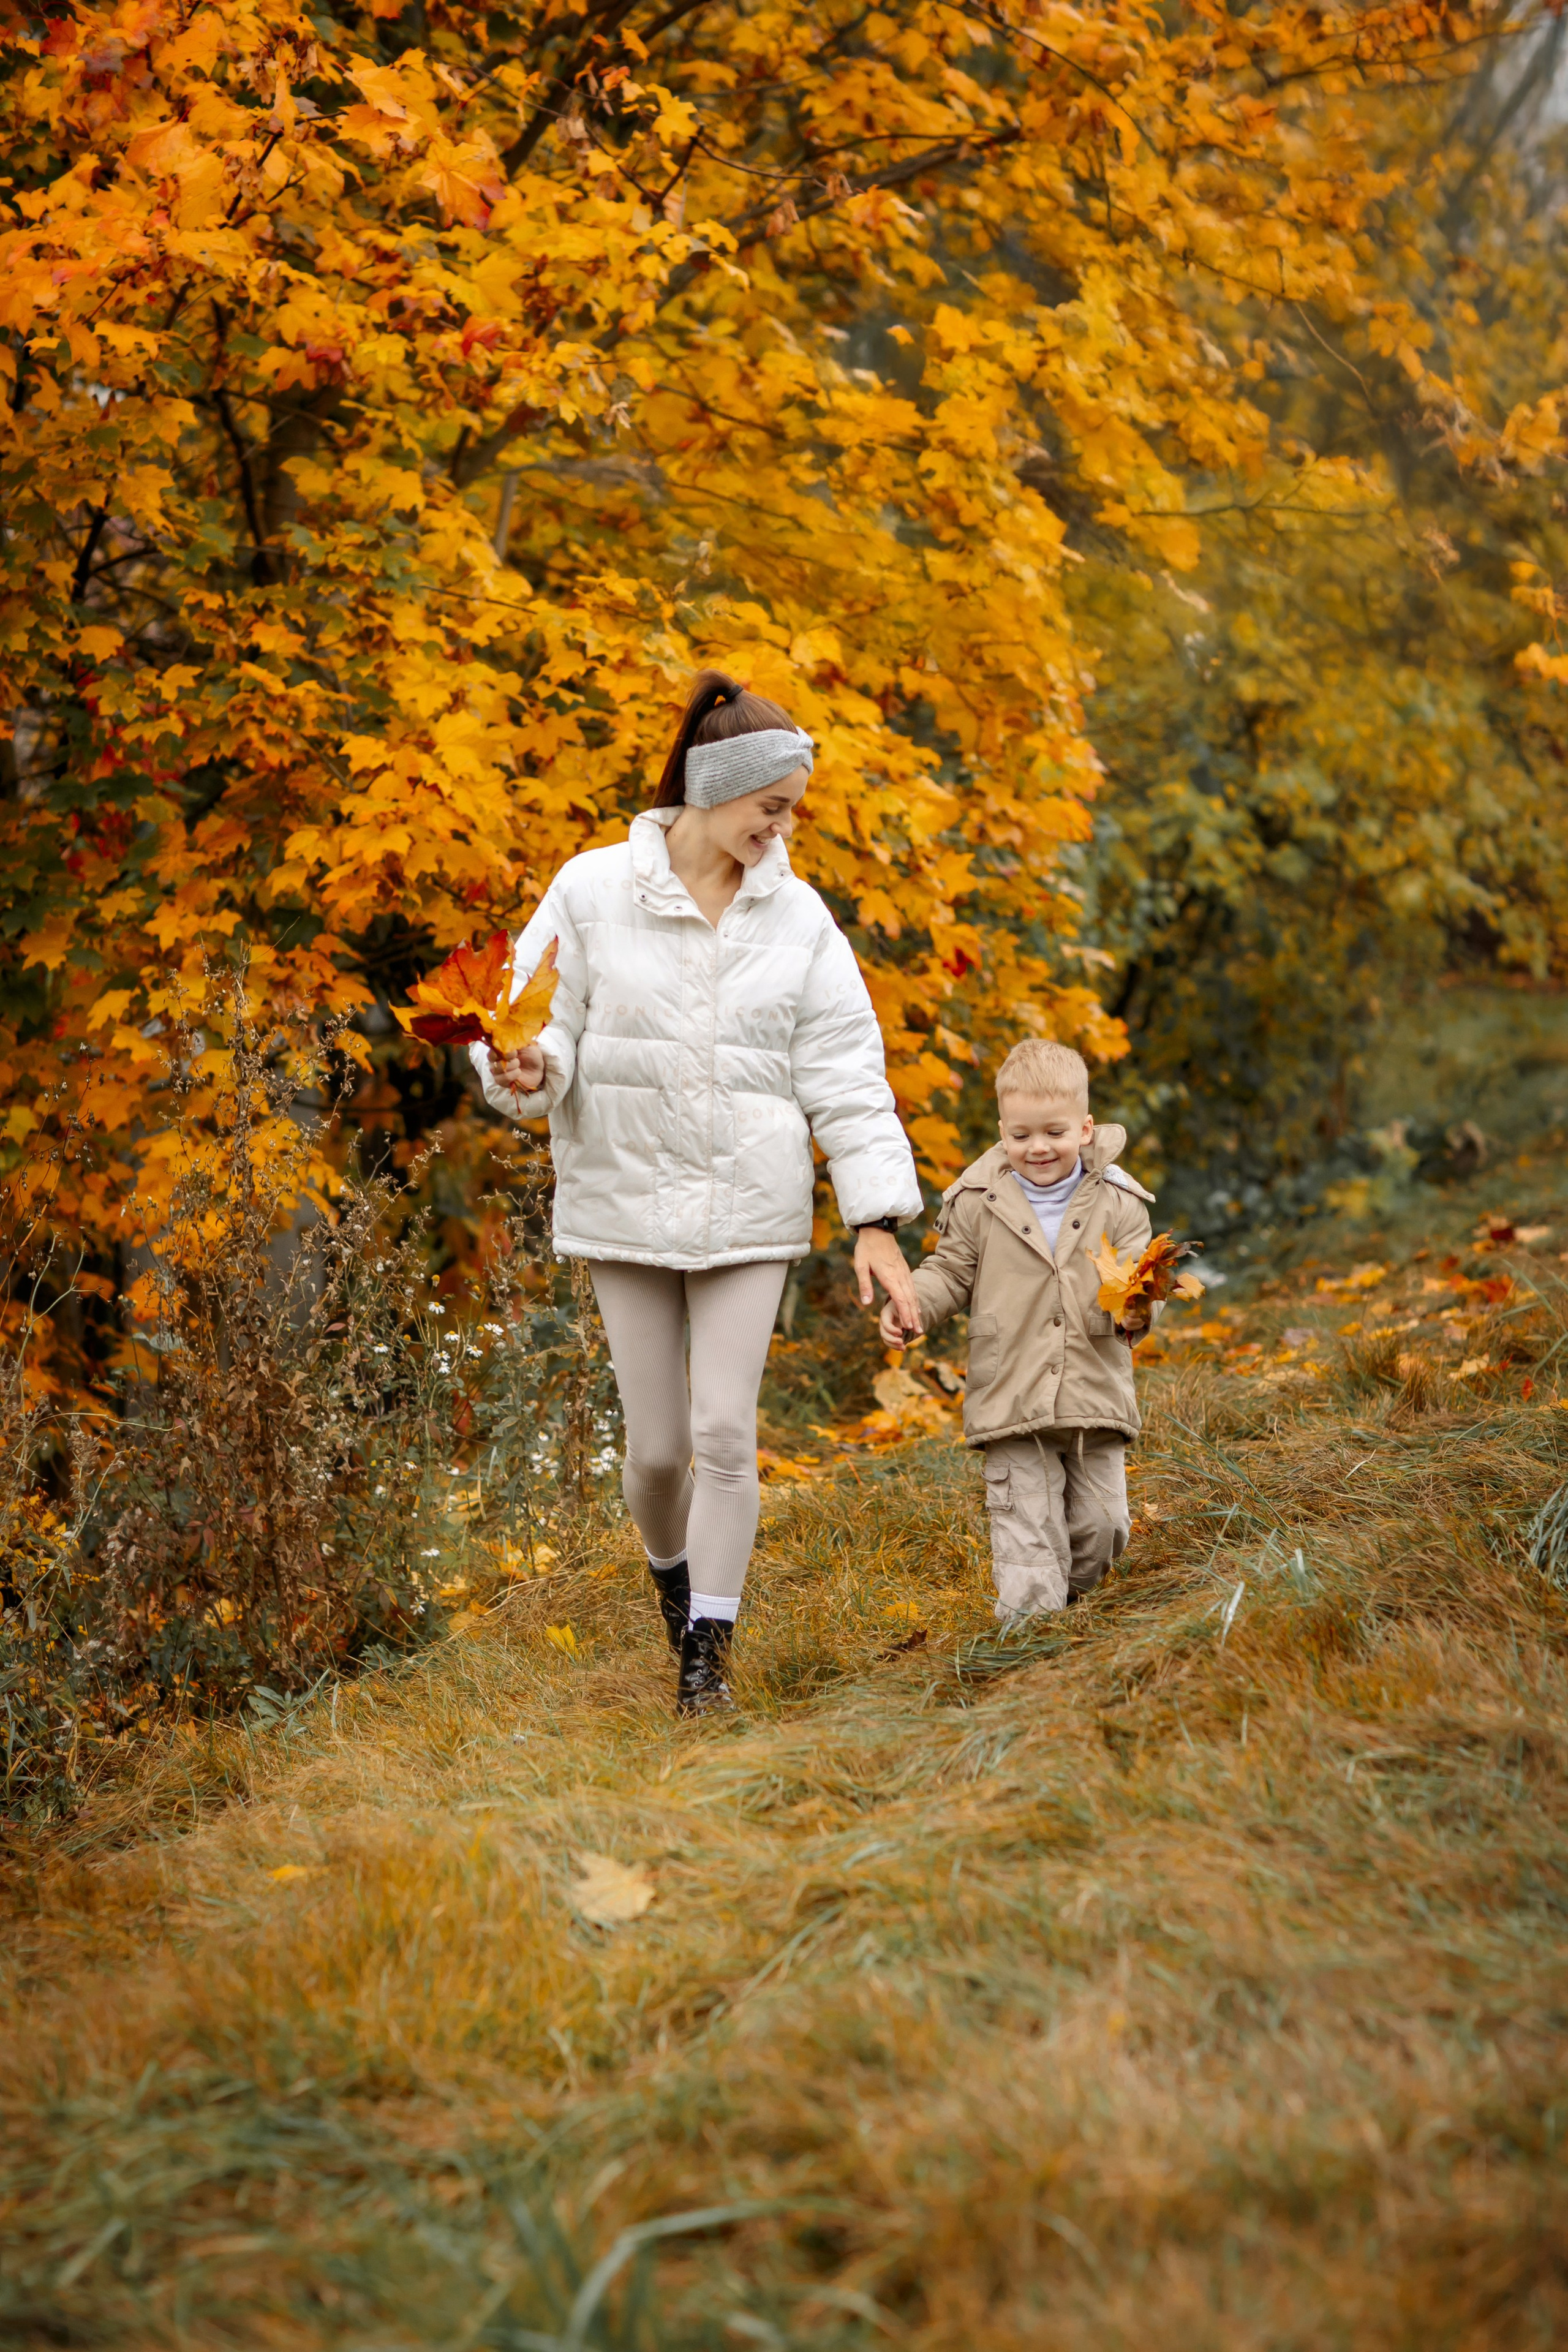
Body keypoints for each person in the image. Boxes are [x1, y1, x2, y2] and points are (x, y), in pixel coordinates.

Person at [473, 669, 924, 1714]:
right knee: (660, 1453)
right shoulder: (588, 890)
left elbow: (848, 1072)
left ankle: (706, 1659)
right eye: (771, 809)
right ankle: (674, 1584)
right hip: (622, 1196)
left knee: (725, 1435)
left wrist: (875, 1220)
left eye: (790, 812)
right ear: (715, 790)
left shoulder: (801, 919)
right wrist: (526, 1069)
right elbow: (530, 1026)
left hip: (748, 1207)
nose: (782, 829)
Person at [880, 1039, 1155, 1621]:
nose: (1038, 1148)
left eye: (1054, 1132)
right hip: (1010, 1391)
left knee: (1104, 1528)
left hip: (1093, 1390)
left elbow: (1138, 1282)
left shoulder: (1121, 1202)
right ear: (1003, 1130)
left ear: (1084, 1128)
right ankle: (1031, 1643)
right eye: (1022, 1134)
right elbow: (951, 1272)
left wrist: (1138, 1309)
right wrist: (914, 1308)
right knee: (1028, 1539)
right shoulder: (978, 1201)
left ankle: (1077, 1608)